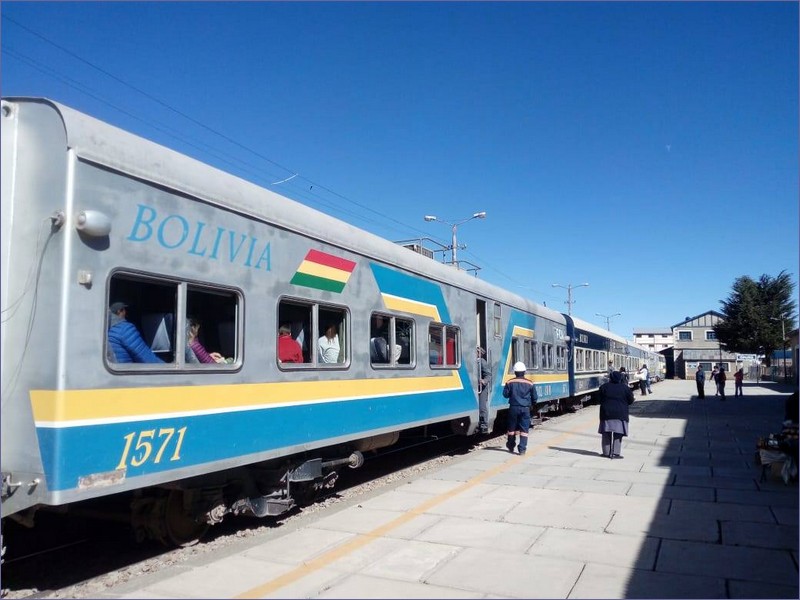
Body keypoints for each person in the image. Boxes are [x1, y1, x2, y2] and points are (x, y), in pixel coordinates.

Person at [597, 369, 635, 458]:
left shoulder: (603, 387)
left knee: (606, 434)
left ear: (610, 378)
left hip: (606, 414)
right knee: (618, 434)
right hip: (620, 414)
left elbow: (598, 400)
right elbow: (631, 400)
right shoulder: (625, 388)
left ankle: (606, 453)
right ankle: (616, 453)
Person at [503, 362, 537, 455]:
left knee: (511, 429)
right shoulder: (530, 383)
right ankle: (522, 449)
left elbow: (505, 395)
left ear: (515, 372)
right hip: (525, 408)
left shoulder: (509, 382)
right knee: (524, 430)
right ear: (524, 372)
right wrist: (532, 405)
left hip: (513, 408)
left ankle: (510, 445)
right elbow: (535, 397)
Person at [477, 347, 491, 434]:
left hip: (482, 388)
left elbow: (488, 374)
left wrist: (484, 381)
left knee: (482, 406)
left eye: (477, 352)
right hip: (476, 387)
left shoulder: (482, 361)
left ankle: (484, 425)